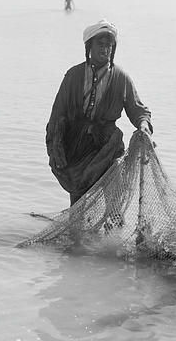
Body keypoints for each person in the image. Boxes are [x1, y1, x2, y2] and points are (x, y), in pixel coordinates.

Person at [46, 19, 153, 206]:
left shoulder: (121, 77)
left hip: (108, 146)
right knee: (79, 204)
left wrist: (144, 126)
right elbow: (57, 115)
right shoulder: (73, 76)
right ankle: (77, 234)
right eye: (100, 45)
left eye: (109, 46)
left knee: (114, 200)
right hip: (77, 149)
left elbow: (138, 110)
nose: (105, 50)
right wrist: (55, 148)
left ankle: (112, 231)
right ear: (89, 47)